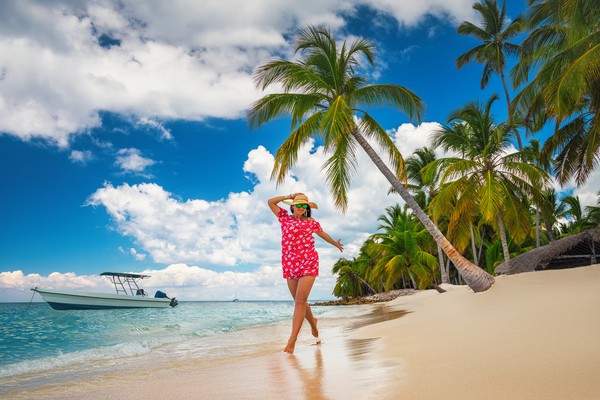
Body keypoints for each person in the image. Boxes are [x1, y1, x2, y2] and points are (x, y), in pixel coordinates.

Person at [268, 193, 343, 353]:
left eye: (304, 206)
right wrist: (289, 195)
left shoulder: (311, 222)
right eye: (299, 205)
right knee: (299, 300)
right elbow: (270, 202)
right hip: (289, 263)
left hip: (308, 261)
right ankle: (313, 322)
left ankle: (292, 340)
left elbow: (323, 235)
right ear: (293, 206)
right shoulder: (284, 218)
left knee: (300, 302)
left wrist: (335, 243)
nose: (302, 208)